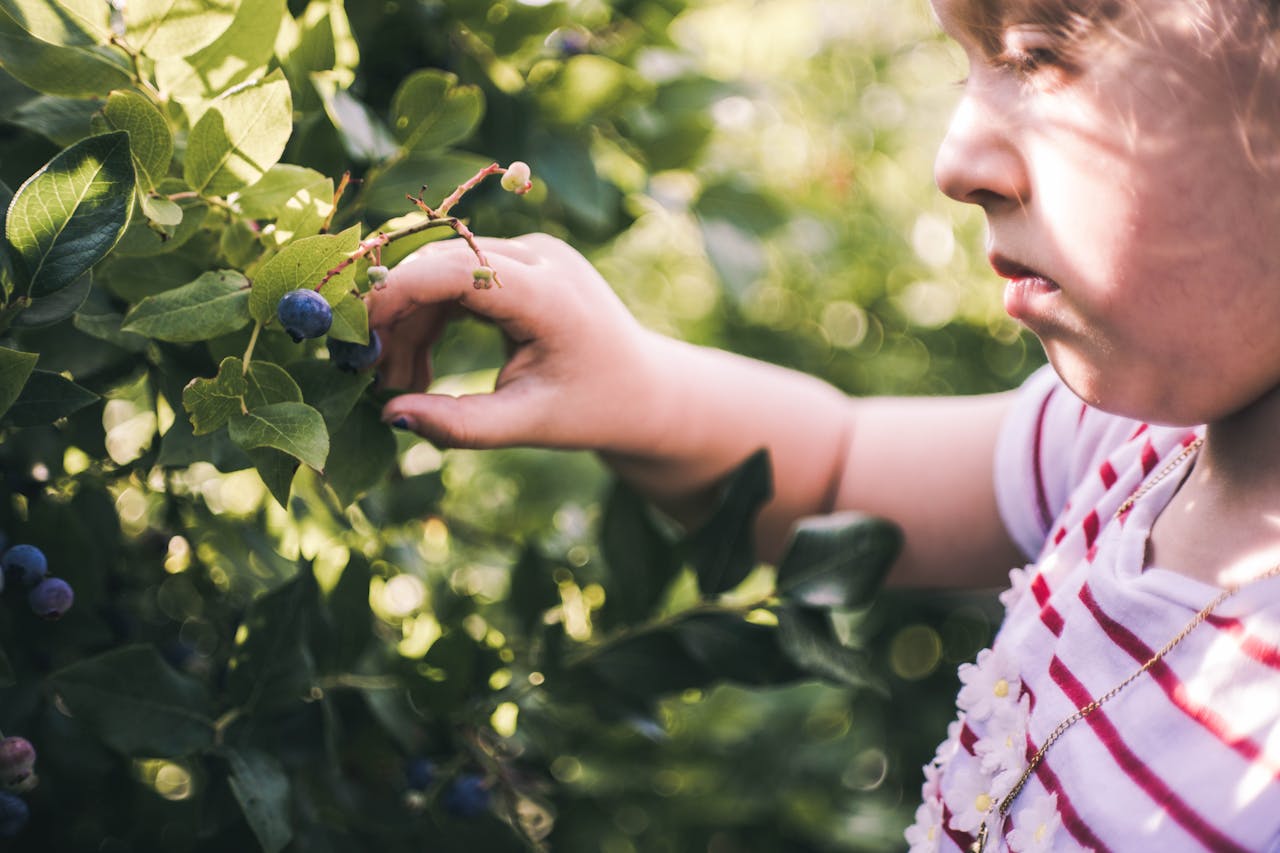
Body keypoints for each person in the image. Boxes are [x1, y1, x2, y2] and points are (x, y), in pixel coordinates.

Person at [367, 0, 1280, 849]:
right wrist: (630, 381)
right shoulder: (1131, 447)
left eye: (1042, 57)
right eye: (966, 67)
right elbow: (839, 472)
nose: (956, 162)